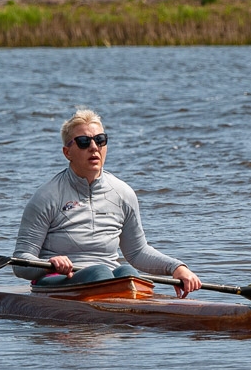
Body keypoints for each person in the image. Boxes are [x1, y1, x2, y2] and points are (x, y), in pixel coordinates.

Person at [12, 109, 202, 298]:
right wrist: (50, 263)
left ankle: (132, 323)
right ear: (67, 152)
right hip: (56, 281)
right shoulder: (46, 196)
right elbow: (21, 263)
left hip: (110, 280)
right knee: (100, 272)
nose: (94, 147)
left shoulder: (123, 193)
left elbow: (137, 252)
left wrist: (176, 267)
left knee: (128, 274)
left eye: (100, 140)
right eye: (84, 142)